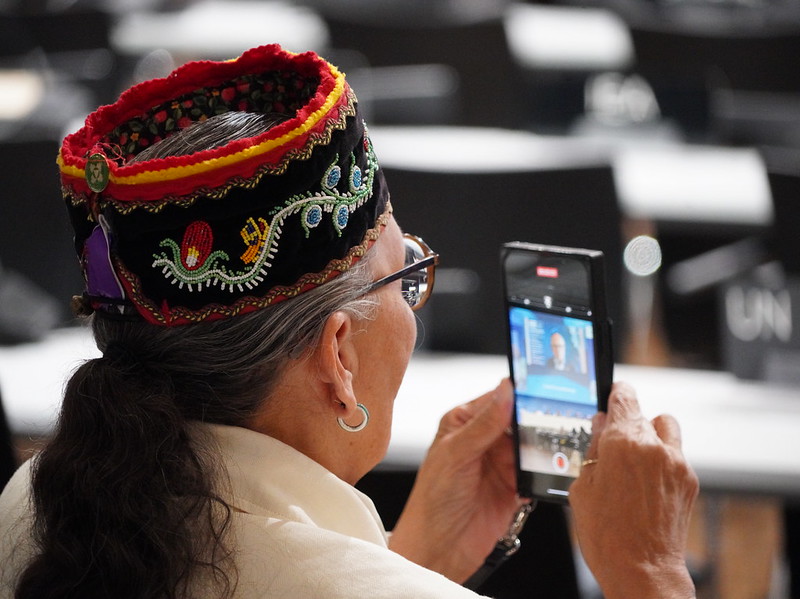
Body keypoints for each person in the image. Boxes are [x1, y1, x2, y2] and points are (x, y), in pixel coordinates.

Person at [0, 44, 698, 598]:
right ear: (339, 353)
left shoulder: (34, 509)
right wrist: (651, 572)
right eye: (406, 278)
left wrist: (412, 557)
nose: (413, 307)